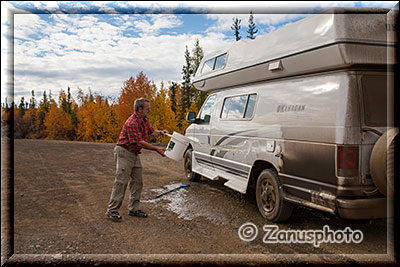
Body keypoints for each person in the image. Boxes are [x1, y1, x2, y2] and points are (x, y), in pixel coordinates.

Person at [105, 98, 168, 221]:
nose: (149, 111)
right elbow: (140, 143)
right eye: (147, 109)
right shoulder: (132, 123)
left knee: (138, 182)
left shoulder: (144, 121)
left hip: (134, 154)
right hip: (124, 152)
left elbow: (152, 132)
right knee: (121, 181)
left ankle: (133, 209)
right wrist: (157, 149)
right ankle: (112, 210)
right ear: (140, 109)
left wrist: (161, 132)